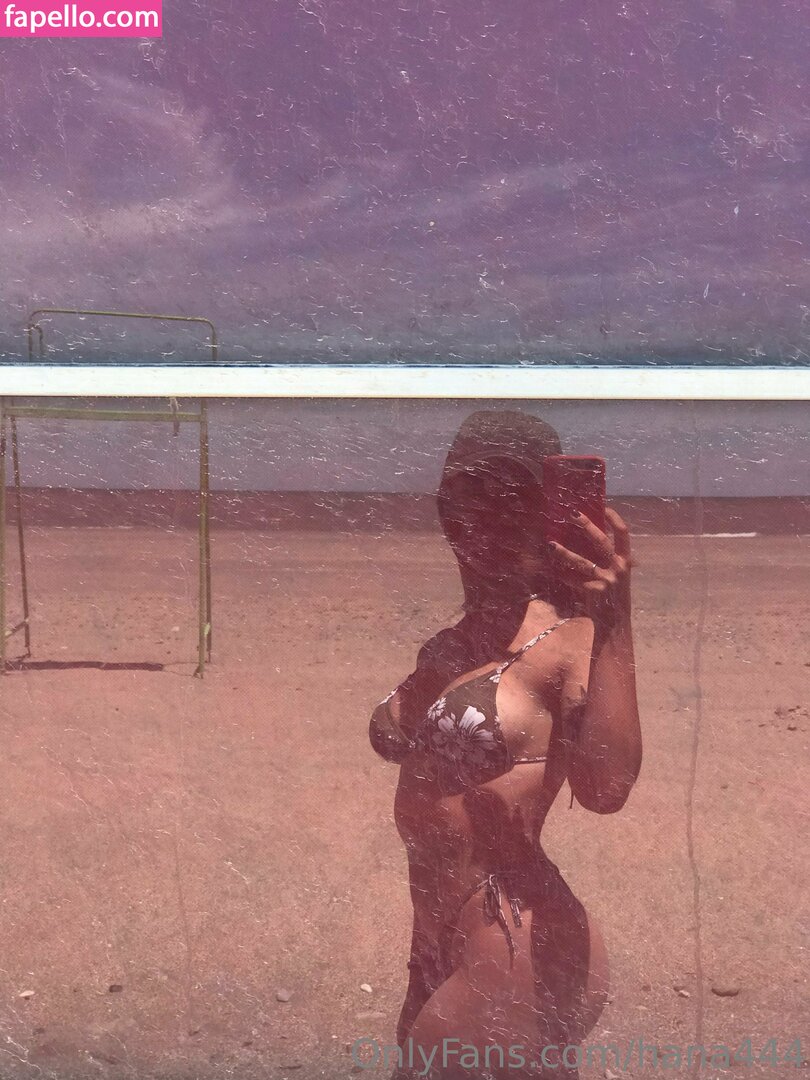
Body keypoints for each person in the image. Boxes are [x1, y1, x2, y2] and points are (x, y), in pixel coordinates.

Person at [368, 409, 642, 1080]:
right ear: (445, 508)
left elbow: (606, 789)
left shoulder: (570, 640)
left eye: (511, 497)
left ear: (546, 514)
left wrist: (614, 618)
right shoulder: (455, 641)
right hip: (440, 935)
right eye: (467, 494)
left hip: (514, 937)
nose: (485, 515)